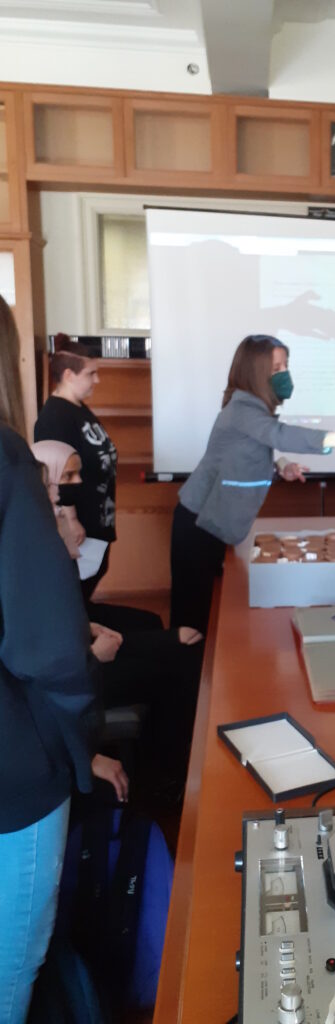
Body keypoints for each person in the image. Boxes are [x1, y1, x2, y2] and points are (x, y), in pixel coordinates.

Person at [0, 297, 101, 1023]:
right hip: (16, 773)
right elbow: (52, 648)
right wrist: (79, 745)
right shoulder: (9, 460)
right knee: (12, 969)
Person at [170, 334, 335, 633]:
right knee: (191, 622)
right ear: (255, 373)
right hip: (198, 523)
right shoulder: (242, 409)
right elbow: (278, 434)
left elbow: (247, 453)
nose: (284, 374)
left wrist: (281, 466)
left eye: (285, 366)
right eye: (276, 369)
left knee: (208, 614)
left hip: (213, 523)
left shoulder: (252, 409)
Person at [32, 438, 203, 789]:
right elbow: (53, 656)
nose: (65, 491)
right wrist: (96, 653)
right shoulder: (36, 548)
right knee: (176, 667)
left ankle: (166, 768)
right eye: (61, 481)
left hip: (81, 653)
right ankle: (170, 781)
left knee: (170, 641)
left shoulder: (48, 530)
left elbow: (72, 617)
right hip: (77, 675)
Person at [34, 335, 117, 599]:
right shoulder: (55, 417)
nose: (97, 380)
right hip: (79, 524)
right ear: (69, 375)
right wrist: (70, 520)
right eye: (91, 374)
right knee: (77, 590)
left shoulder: (79, 409)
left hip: (97, 520)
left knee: (94, 575)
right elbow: (57, 473)